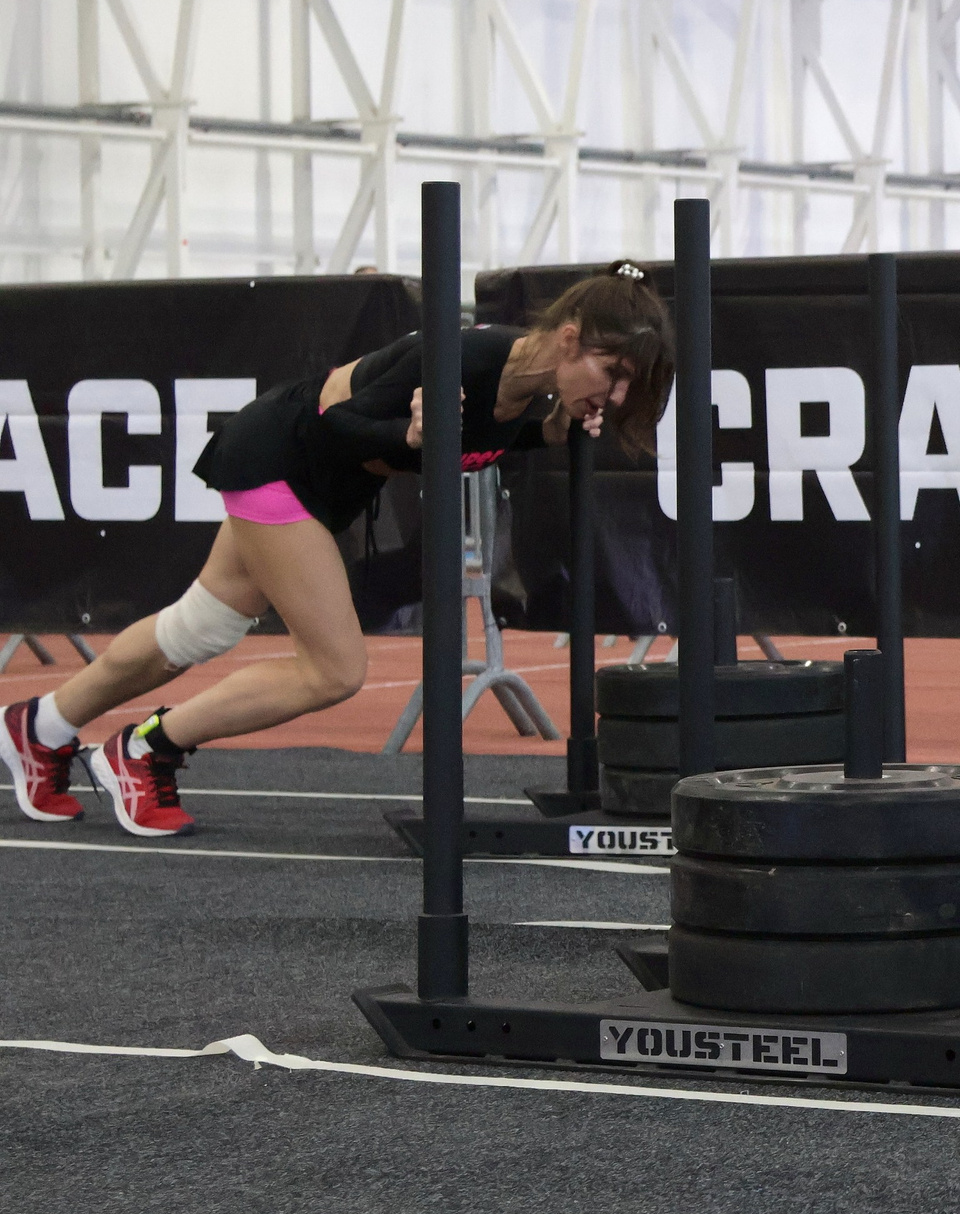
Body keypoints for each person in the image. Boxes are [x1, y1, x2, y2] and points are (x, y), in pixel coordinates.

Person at [0, 262, 672, 839]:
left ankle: (43, 724)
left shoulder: (535, 391)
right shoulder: (466, 359)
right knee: (334, 670)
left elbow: (477, 438)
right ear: (569, 338)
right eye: (612, 374)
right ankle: (146, 750)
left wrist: (550, 433)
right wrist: (406, 434)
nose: (614, 396)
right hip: (280, 458)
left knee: (200, 626)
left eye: (626, 387)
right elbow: (335, 421)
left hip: (316, 486)